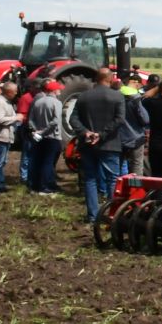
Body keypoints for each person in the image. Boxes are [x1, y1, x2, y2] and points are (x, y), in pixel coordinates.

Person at [68, 68, 127, 223]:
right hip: (109, 143)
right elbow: (120, 119)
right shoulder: (117, 96)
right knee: (112, 179)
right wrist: (101, 134)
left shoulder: (83, 96)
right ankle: (112, 214)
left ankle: (93, 216)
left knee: (90, 179)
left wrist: (86, 132)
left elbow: (73, 120)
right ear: (110, 79)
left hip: (87, 144)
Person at [25, 79, 65, 195]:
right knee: (49, 162)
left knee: (38, 161)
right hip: (52, 136)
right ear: (53, 90)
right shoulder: (56, 103)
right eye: (58, 89)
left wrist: (35, 131)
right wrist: (43, 131)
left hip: (38, 138)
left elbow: (31, 120)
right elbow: (55, 121)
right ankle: (46, 187)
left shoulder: (38, 102)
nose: (59, 91)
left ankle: (35, 186)